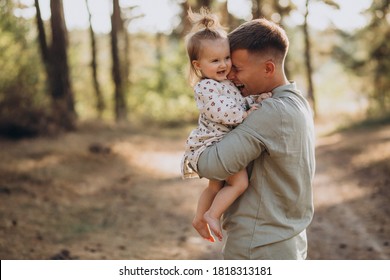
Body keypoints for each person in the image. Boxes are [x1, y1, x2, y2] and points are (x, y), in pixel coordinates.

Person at [196, 18, 316, 259]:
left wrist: (198, 145)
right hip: (287, 241)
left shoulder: (270, 111)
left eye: (237, 68)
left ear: (268, 68)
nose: (229, 75)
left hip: (259, 246)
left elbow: (211, 164)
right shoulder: (297, 101)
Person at [181, 8, 271, 243]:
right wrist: (245, 113)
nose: (223, 65)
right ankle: (212, 214)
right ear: (198, 65)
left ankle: (199, 218)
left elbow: (238, 102)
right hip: (213, 142)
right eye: (215, 60)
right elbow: (222, 112)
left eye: (226, 58)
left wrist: (255, 100)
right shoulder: (205, 87)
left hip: (221, 141)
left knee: (214, 188)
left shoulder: (225, 83)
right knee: (239, 183)